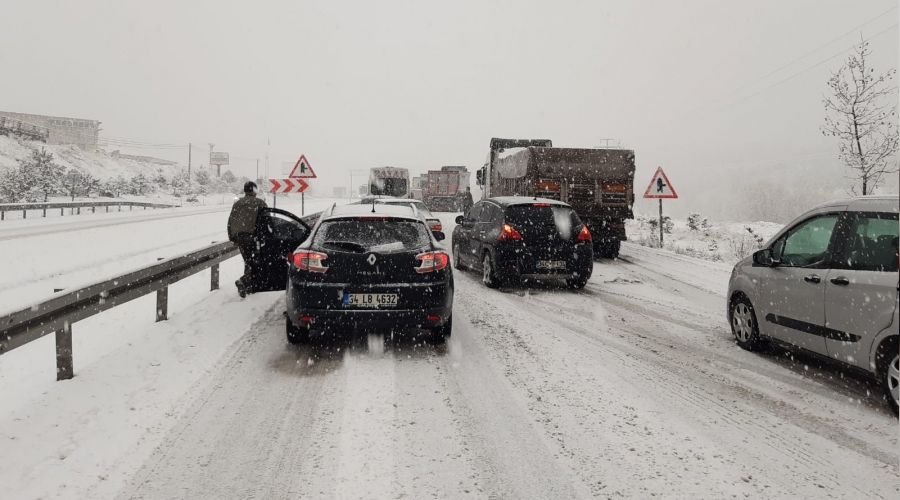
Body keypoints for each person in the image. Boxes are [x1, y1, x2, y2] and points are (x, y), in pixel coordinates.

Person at [227, 181, 267, 297]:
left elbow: (230, 221)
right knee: (256, 262)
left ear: (245, 191)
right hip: (254, 238)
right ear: (254, 190)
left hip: (240, 238)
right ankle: (244, 281)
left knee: (248, 261)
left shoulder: (237, 204)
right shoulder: (260, 203)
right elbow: (267, 222)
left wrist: (233, 238)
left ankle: (248, 286)